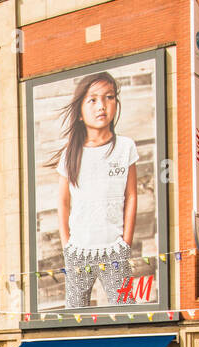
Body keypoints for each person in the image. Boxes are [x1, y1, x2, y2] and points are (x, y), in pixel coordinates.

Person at [50, 72, 139, 309]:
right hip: (78, 250)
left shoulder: (125, 147)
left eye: (108, 98)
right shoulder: (71, 153)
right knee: (74, 316)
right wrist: (67, 244)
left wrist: (125, 242)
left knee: (125, 311)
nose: (101, 106)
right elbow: (63, 201)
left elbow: (131, 196)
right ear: (80, 111)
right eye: (92, 100)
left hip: (115, 248)